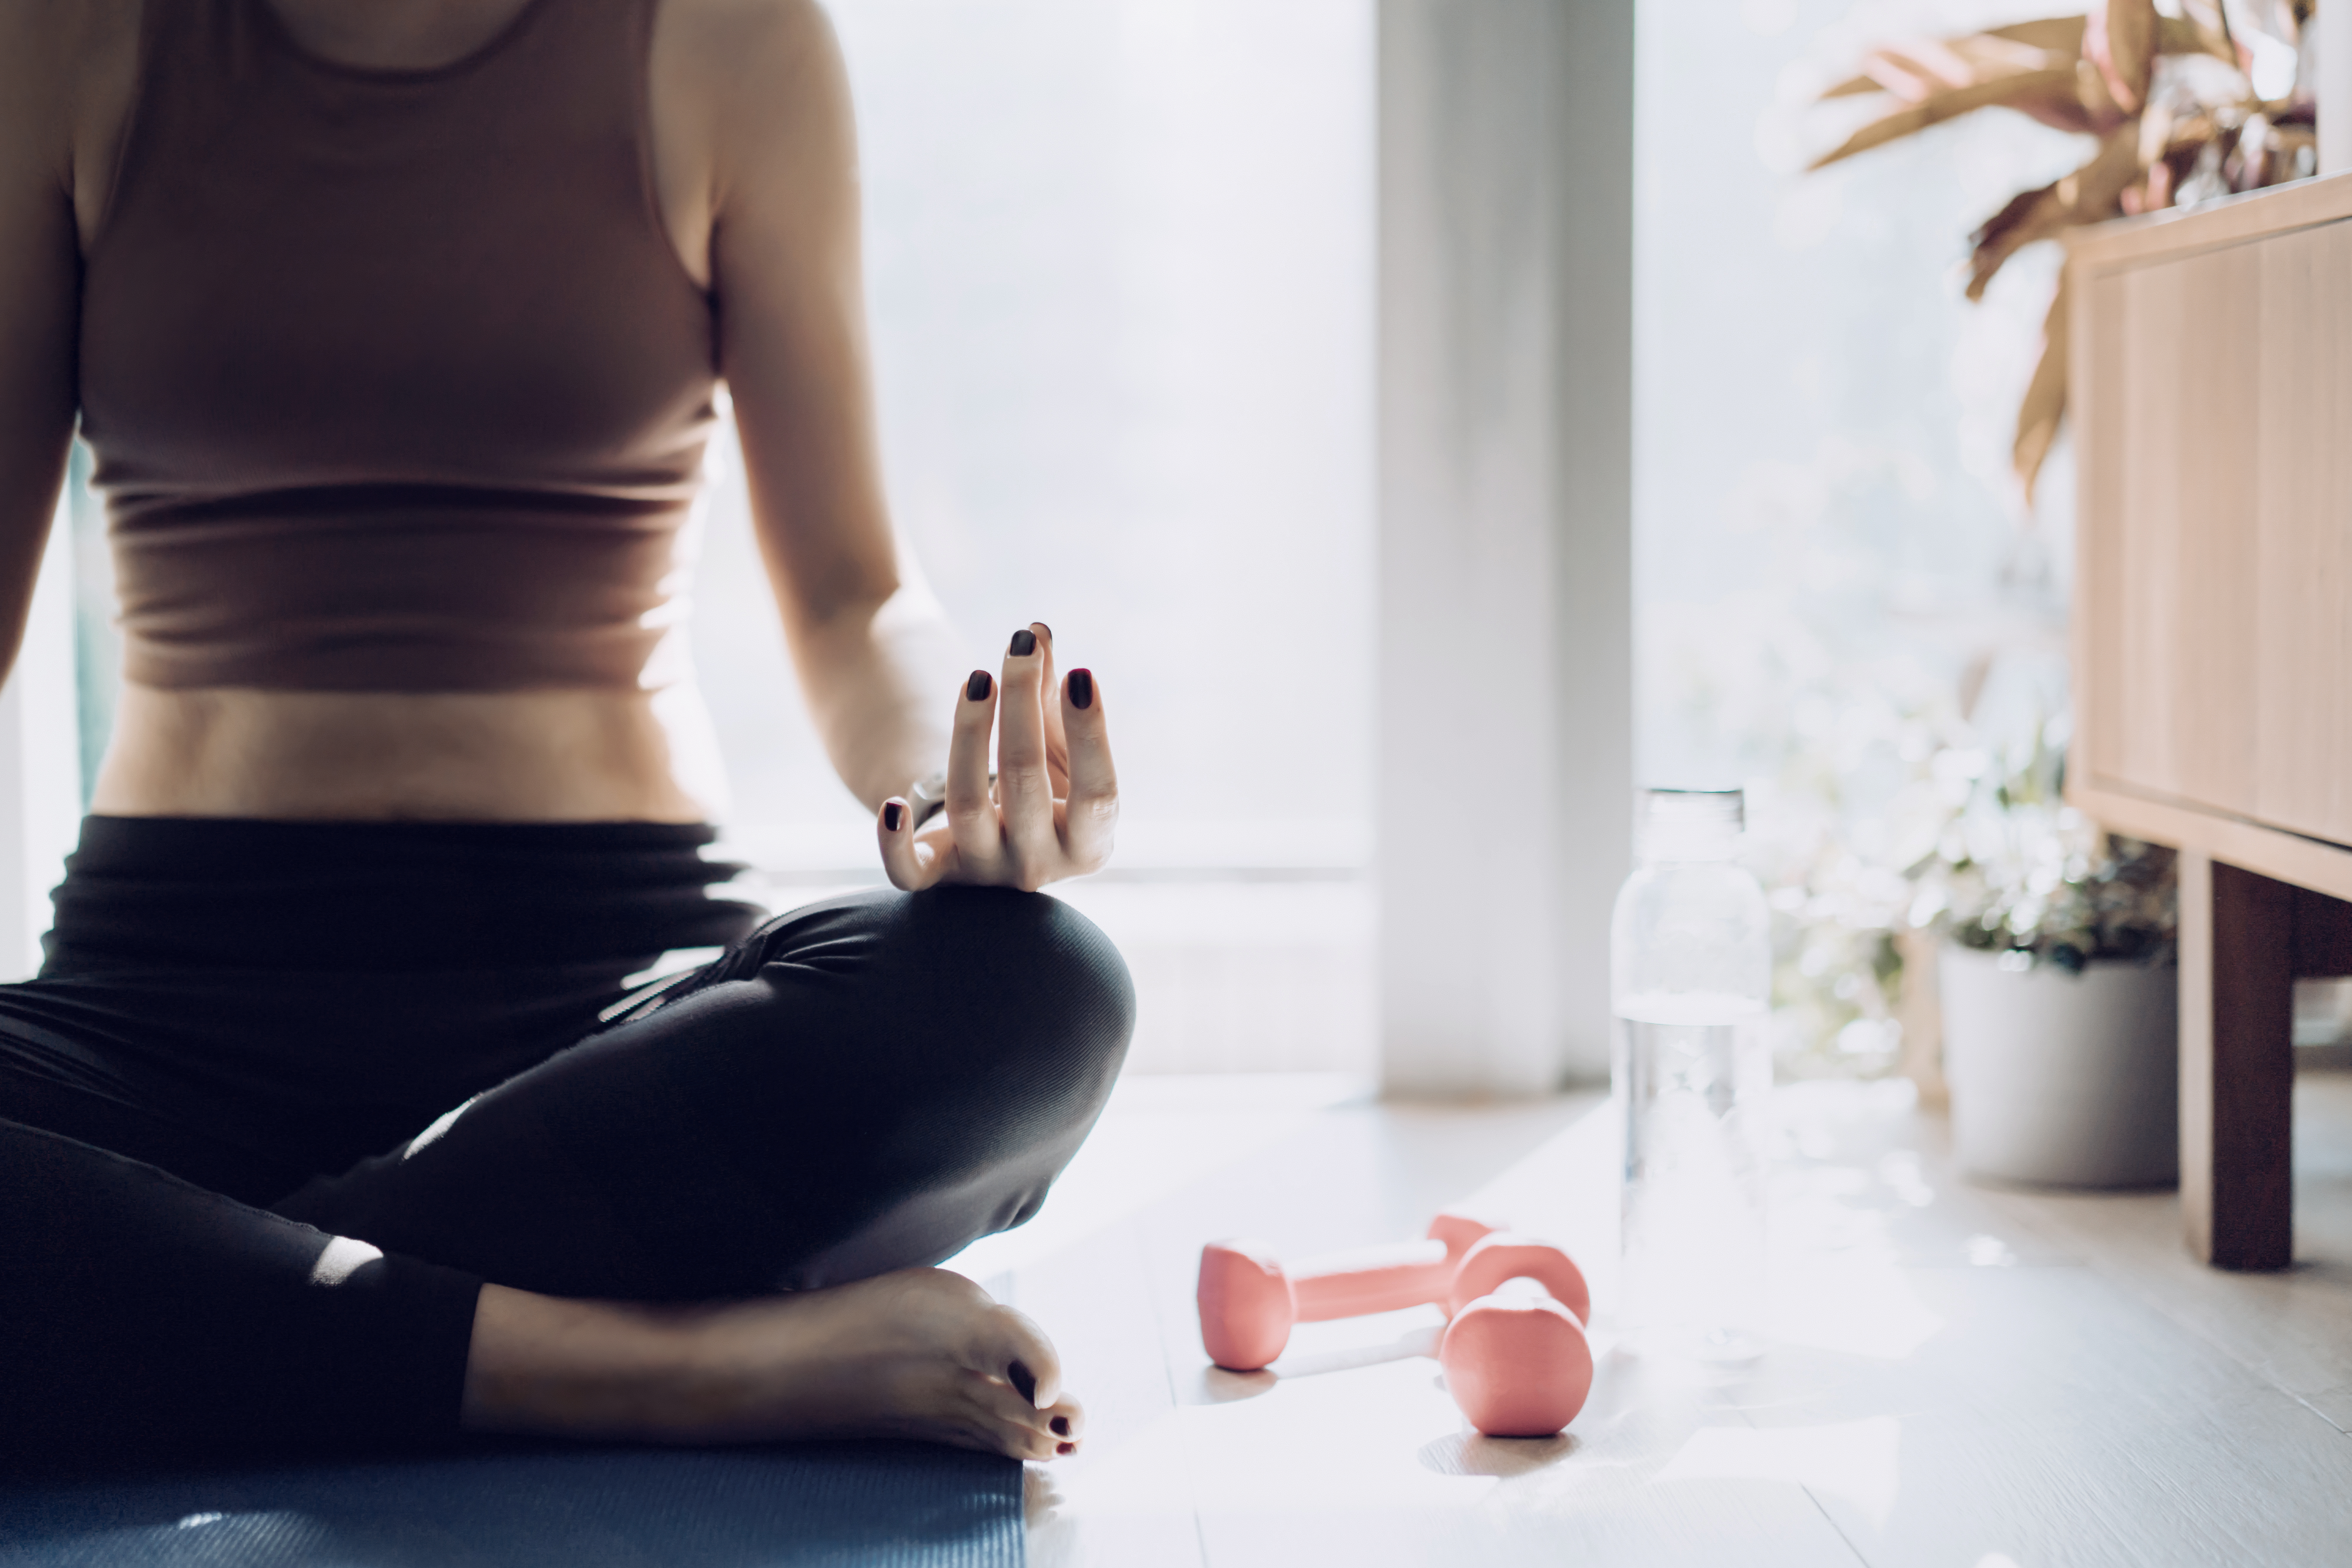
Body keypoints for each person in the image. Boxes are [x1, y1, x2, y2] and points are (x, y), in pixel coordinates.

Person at [0, 0, 1132, 1468]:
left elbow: (857, 595)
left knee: (1035, 1000)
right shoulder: (62, 37)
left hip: (601, 1016)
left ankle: (174, 1280)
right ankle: (654, 1367)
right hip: (164, 1010)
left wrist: (952, 782)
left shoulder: (729, 40)